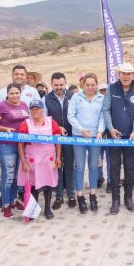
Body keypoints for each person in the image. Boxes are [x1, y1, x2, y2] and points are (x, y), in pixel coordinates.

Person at [103, 62, 134, 215]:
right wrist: (110, 128)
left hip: (130, 137)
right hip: (113, 136)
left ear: (133, 75)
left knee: (129, 167)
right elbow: (106, 109)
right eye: (123, 73)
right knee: (114, 168)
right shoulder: (111, 88)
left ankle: (128, 198)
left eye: (129, 74)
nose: (126, 76)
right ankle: (115, 200)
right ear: (119, 74)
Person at [17, 100, 62, 220]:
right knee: (33, 185)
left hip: (48, 157)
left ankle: (47, 208)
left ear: (42, 109)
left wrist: (58, 157)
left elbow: (57, 141)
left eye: (37, 108)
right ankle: (33, 209)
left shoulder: (51, 122)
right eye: (32, 109)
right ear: (30, 111)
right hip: (32, 158)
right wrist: (23, 161)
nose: (35, 110)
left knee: (48, 184)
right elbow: (20, 145)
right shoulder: (25, 124)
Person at [68, 73, 105, 214]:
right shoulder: (76, 97)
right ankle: (80, 196)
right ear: (83, 84)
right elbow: (71, 115)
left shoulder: (101, 98)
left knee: (94, 167)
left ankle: (93, 195)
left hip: (95, 137)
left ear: (96, 85)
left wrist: (101, 131)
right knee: (79, 167)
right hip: (79, 137)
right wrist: (81, 129)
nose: (90, 87)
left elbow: (103, 116)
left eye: (93, 84)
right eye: (87, 84)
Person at [0, 84, 29, 219]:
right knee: (8, 176)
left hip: (21, 145)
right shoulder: (1, 106)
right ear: (7, 94)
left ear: (20, 93)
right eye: (12, 93)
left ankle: (13, 201)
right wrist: (5, 129)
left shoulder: (24, 104)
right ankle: (5, 205)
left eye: (17, 93)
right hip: (6, 145)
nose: (15, 95)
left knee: (16, 176)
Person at [43, 72, 76, 210]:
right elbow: (44, 119)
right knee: (57, 165)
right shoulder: (45, 99)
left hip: (70, 137)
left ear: (65, 83)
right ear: (51, 84)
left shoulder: (73, 97)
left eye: (61, 84)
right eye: (56, 85)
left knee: (69, 165)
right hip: (54, 138)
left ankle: (71, 194)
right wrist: (56, 127)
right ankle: (58, 196)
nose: (59, 87)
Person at [97, 83, 111, 193]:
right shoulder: (97, 101)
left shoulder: (111, 101)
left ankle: (110, 181)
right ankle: (99, 177)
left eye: (105, 90)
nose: (104, 92)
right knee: (98, 158)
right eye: (102, 90)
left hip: (110, 135)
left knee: (111, 160)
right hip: (99, 135)